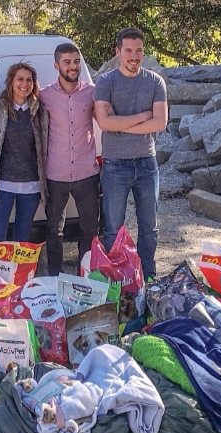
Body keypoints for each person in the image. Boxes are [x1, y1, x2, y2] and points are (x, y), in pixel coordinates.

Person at [93, 27, 167, 278]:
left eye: (138, 51)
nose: (134, 56)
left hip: (147, 163)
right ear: (118, 52)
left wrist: (122, 124)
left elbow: (160, 123)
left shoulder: (155, 82)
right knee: (113, 228)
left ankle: (148, 276)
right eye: (128, 51)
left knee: (150, 227)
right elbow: (104, 124)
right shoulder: (105, 82)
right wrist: (142, 117)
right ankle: (118, 279)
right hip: (115, 165)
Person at [39, 43, 101, 276]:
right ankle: (55, 276)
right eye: (67, 62)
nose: (73, 66)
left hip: (87, 173)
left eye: (76, 61)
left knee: (90, 229)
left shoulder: (92, 92)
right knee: (54, 230)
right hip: (56, 174)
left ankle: (84, 276)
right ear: (57, 65)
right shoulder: (44, 95)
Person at [0, 62, 50, 242]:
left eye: (29, 80)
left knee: (22, 238)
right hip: (2, 186)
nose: (25, 84)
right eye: (20, 79)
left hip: (31, 186)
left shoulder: (39, 111)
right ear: (11, 82)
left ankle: (18, 271)